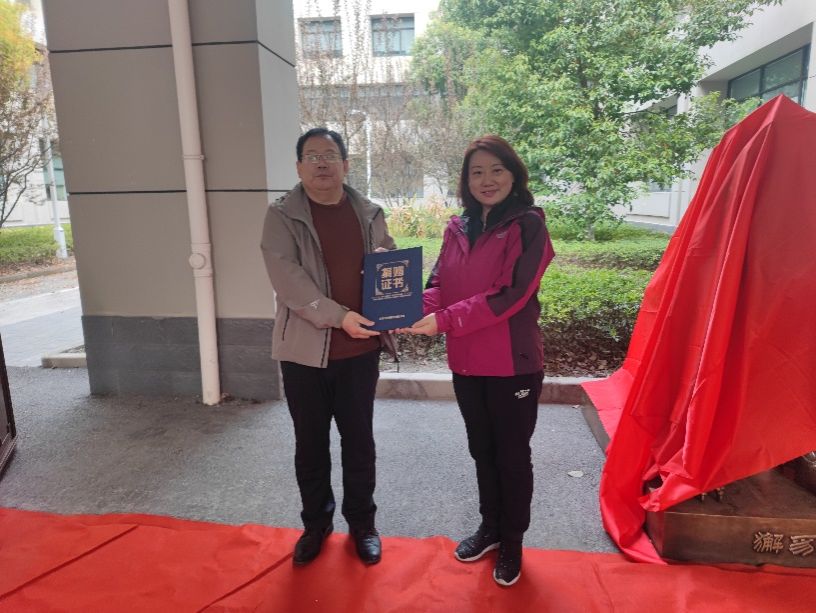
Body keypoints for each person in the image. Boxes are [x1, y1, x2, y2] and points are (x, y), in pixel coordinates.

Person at [400, 135, 554, 586]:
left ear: (514, 174)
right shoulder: (458, 227)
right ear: (466, 181)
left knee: (512, 455)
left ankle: (513, 542)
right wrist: (407, 309)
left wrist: (444, 320)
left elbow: (510, 294)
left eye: (496, 170)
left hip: (512, 364)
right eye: (477, 172)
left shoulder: (528, 225)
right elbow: (439, 284)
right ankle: (490, 528)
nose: (487, 180)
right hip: (466, 362)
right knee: (482, 449)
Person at [260, 127, 396, 566]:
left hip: (361, 352)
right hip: (304, 356)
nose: (322, 162)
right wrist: (339, 317)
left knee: (359, 443)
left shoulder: (369, 212)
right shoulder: (281, 216)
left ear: (345, 164)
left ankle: (363, 525)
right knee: (311, 446)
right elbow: (288, 282)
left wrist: (395, 291)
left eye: (331, 154)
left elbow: (388, 260)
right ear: (299, 167)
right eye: (313, 155)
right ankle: (316, 526)